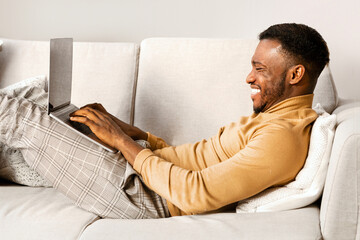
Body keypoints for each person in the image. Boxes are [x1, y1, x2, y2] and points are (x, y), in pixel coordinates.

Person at [0, 23, 329, 219]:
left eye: (260, 69)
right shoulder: (273, 118)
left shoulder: (282, 137)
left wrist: (122, 143)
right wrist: (135, 135)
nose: (248, 78)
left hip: (140, 195)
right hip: (144, 172)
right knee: (38, 103)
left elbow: (195, 193)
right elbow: (197, 160)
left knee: (15, 115)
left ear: (295, 74)